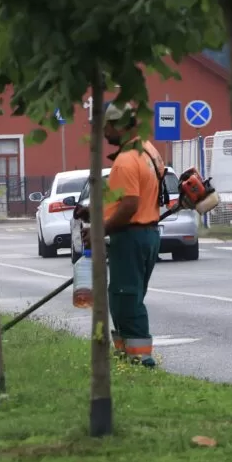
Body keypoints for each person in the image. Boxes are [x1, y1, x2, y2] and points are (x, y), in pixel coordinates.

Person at [80, 102, 166, 368]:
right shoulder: (149, 151)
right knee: (124, 297)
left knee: (126, 297)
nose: (104, 133)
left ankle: (141, 359)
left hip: (130, 236)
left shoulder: (126, 160)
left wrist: (99, 231)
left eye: (106, 127)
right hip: (146, 234)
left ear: (118, 124)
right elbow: (128, 199)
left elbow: (129, 205)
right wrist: (94, 212)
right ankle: (125, 357)